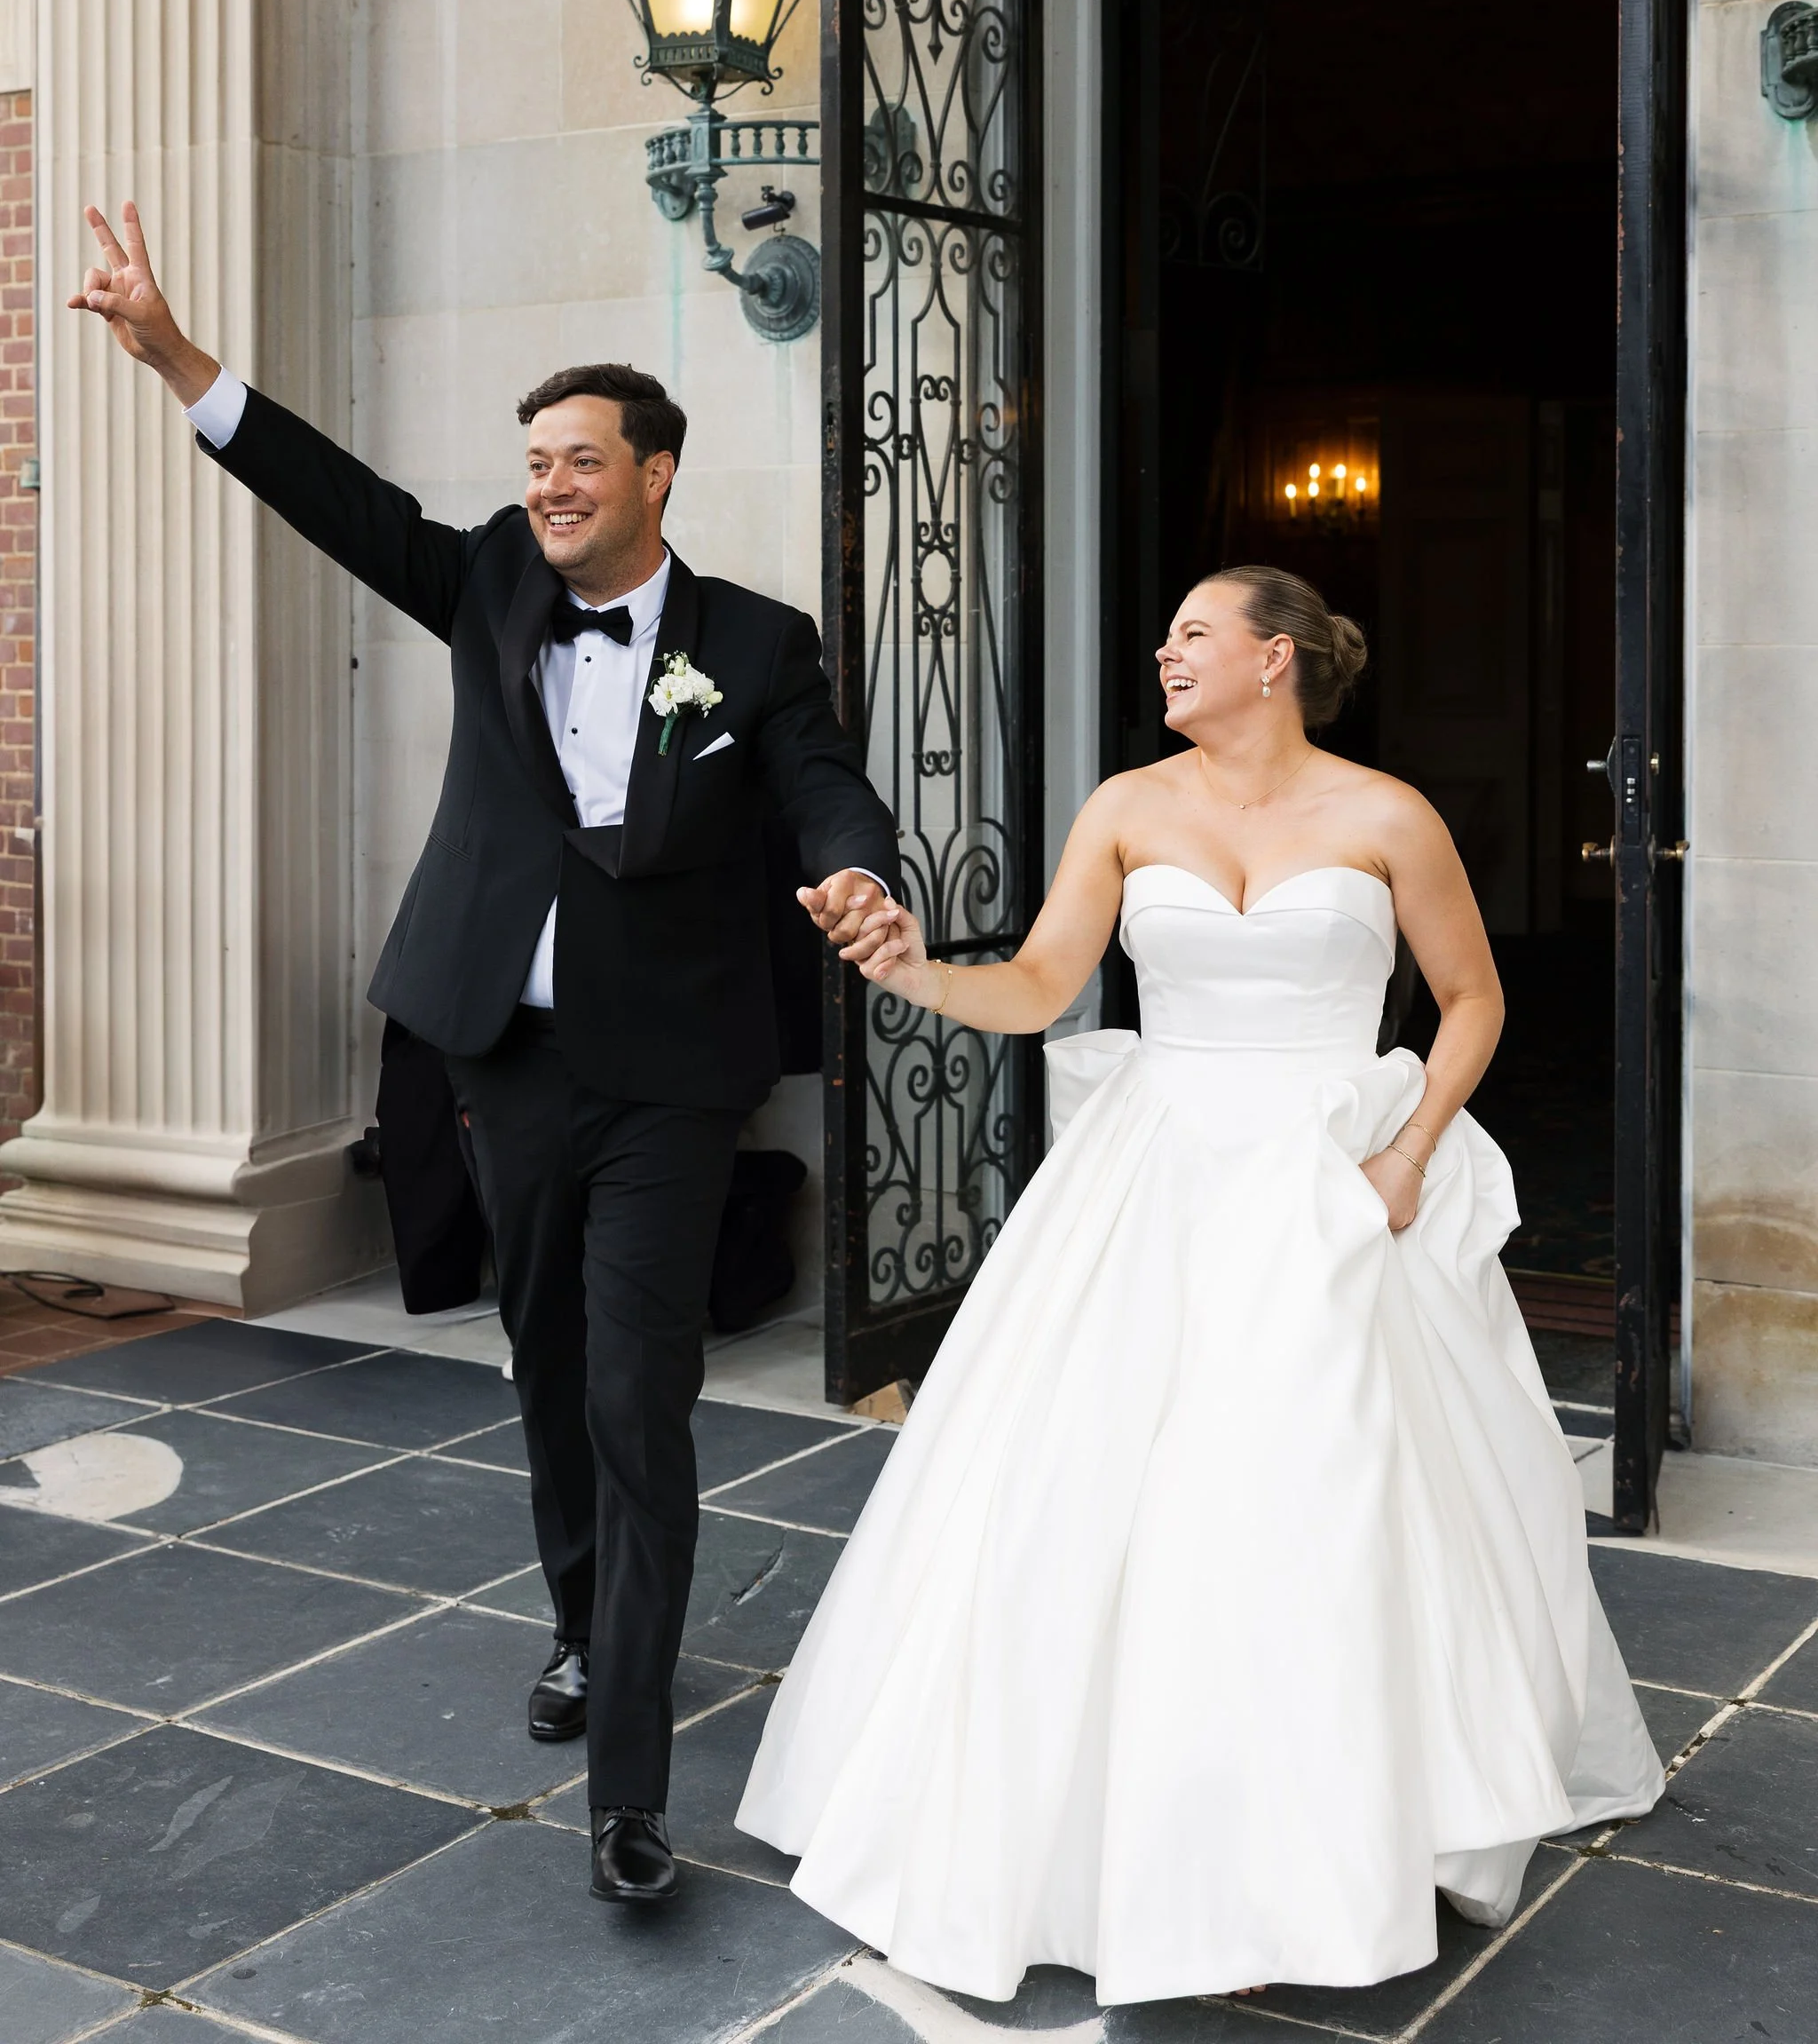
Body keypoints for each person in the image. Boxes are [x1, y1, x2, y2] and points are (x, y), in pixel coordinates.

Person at [72, 202, 898, 1909]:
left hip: (672, 1073)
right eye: (534, 460)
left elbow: (815, 774)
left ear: (658, 472)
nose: (547, 485)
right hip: (508, 1063)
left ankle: (631, 1785)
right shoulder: (496, 584)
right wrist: (171, 353)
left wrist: (856, 867)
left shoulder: (755, 643)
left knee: (635, 1392)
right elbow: (336, 500)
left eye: (580, 460)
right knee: (544, 1361)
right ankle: (586, 1629)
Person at [737, 565, 1662, 2006]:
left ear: (1275, 658)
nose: (1164, 655)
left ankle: (1331, 1834)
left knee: (1317, 1490)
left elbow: (1474, 998)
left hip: (1325, 1183)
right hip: (1154, 1173)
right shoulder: (1124, 806)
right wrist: (914, 970)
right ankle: (1114, 1839)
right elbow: (1043, 988)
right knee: (1089, 1488)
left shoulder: (1386, 815)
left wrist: (1411, 1152)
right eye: (1166, 637)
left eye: (1192, 634)